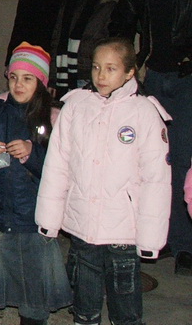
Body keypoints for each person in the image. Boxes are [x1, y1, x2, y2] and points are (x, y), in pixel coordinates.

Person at [36, 38, 171, 325]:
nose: (101, 75)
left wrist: (151, 238)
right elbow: (58, 164)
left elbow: (156, 180)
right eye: (96, 67)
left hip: (123, 230)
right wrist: (49, 218)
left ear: (129, 72)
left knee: (125, 305)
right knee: (84, 302)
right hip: (83, 225)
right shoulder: (76, 106)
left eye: (111, 68)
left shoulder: (145, 113)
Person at [0, 42, 71, 325]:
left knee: (33, 285)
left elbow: (64, 169)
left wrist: (33, 154)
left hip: (34, 219)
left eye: (28, 78)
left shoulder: (53, 119)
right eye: (14, 77)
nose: (19, 85)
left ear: (41, 82)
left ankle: (32, 317)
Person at [109, 0, 192, 275]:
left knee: (183, 160)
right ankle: (162, 237)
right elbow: (121, 26)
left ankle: (185, 244)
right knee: (154, 162)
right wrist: (119, 68)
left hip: (187, 80)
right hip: (152, 78)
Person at [49, 0, 117, 94]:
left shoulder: (108, 7)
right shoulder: (68, 4)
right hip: (64, 71)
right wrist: (52, 77)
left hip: (89, 73)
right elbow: (56, 40)